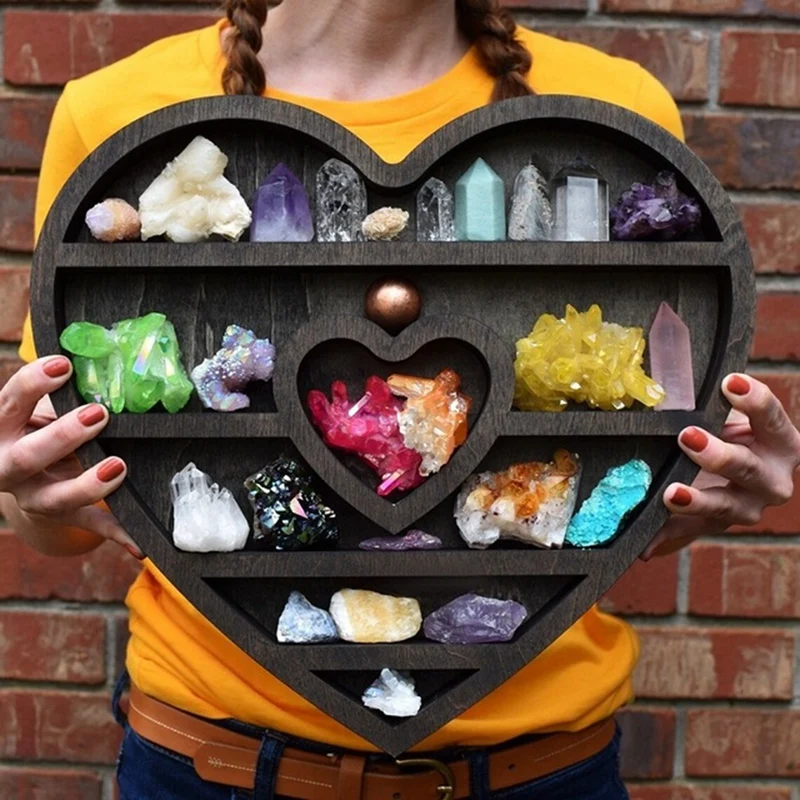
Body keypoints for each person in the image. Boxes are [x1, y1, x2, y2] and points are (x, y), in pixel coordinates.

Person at [2, 1, 798, 797]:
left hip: (545, 771)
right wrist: (35, 488)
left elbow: (628, 500)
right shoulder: (118, 110)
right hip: (213, 768)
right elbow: (58, 519)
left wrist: (694, 497)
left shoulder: (613, 107)